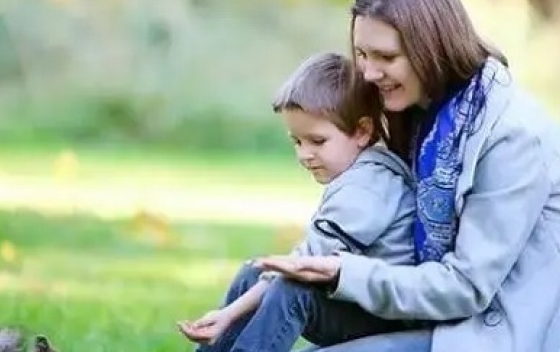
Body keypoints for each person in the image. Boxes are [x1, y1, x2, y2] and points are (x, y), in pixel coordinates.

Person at [256, 0, 560, 352]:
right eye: (361, 54)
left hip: (510, 335)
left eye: (386, 57)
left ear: (432, 47)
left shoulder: (512, 135)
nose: (369, 73)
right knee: (262, 287)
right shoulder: (426, 116)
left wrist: (346, 272)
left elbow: (467, 287)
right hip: (441, 323)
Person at [177, 52, 429, 352]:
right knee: (254, 272)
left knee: (291, 288)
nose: (304, 154)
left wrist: (229, 314)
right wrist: (227, 316)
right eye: (297, 141)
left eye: (317, 141)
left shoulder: (369, 187)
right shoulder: (359, 176)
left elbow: (304, 266)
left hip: (385, 316)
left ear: (362, 131)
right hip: (354, 300)